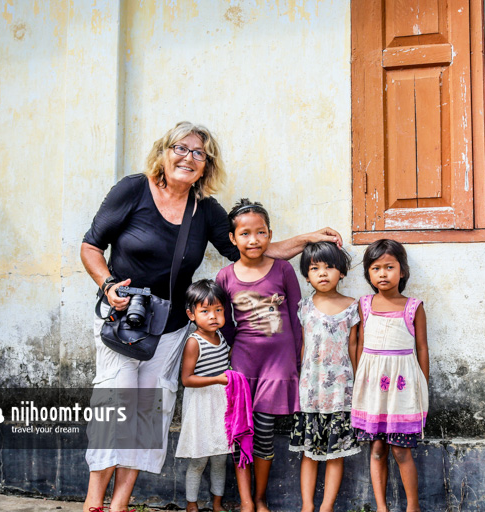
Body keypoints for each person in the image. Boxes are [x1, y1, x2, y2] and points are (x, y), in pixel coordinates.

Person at [80, 121, 342, 512]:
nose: (188, 157)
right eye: (180, 149)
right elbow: (90, 246)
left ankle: (119, 504)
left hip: (170, 331)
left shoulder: (205, 210)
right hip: (127, 323)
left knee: (149, 416)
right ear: (163, 152)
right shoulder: (133, 189)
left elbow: (251, 253)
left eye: (198, 153)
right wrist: (107, 285)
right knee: (116, 410)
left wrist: (307, 239)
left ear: (206, 166)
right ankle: (93, 502)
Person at [216, 199, 301, 512]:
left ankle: (261, 497)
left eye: (261, 233)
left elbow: (295, 317)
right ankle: (246, 501)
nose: (254, 240)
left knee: (264, 433)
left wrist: (296, 361)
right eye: (246, 234)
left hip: (277, 365)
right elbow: (223, 322)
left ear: (269, 235)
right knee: (242, 431)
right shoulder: (225, 277)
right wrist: (238, 347)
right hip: (243, 363)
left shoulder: (283, 269)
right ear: (233, 238)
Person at [351, 239, 429, 512]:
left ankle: (413, 507)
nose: (382, 274)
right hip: (373, 391)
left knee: (400, 450)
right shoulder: (364, 305)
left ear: (403, 271)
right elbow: (359, 345)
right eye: (375, 268)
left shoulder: (413, 307)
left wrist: (423, 386)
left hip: (403, 392)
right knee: (376, 449)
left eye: (389, 267)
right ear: (368, 274)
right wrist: (358, 383)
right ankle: (381, 507)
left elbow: (421, 348)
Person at [288, 242, 361, 512]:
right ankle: (307, 505)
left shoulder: (352, 307)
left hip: (341, 392)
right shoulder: (304, 307)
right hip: (311, 391)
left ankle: (327, 506)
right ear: (306, 276)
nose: (322, 273)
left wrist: (358, 384)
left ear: (341, 272)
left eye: (329, 267)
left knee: (335, 454)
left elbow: (353, 347)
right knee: (309, 454)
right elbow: (304, 347)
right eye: (314, 268)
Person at [176, 280, 231, 512]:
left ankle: (217, 503)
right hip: (200, 405)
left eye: (218, 310)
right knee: (199, 458)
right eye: (205, 311)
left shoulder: (221, 337)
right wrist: (218, 379)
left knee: (220, 457)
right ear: (191, 314)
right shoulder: (193, 342)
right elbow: (187, 379)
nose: (213, 316)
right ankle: (192, 504)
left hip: (221, 404)